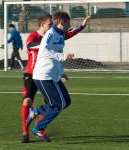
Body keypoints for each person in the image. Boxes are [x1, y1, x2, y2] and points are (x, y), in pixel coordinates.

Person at [21, 13, 90, 143]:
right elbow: (44, 51)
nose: (69, 26)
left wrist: (61, 72)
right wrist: (63, 56)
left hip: (52, 74)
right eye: (68, 23)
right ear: (62, 23)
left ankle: (36, 111)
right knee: (59, 104)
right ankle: (39, 129)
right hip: (43, 75)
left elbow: (56, 54)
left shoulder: (60, 35)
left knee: (66, 102)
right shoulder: (51, 34)